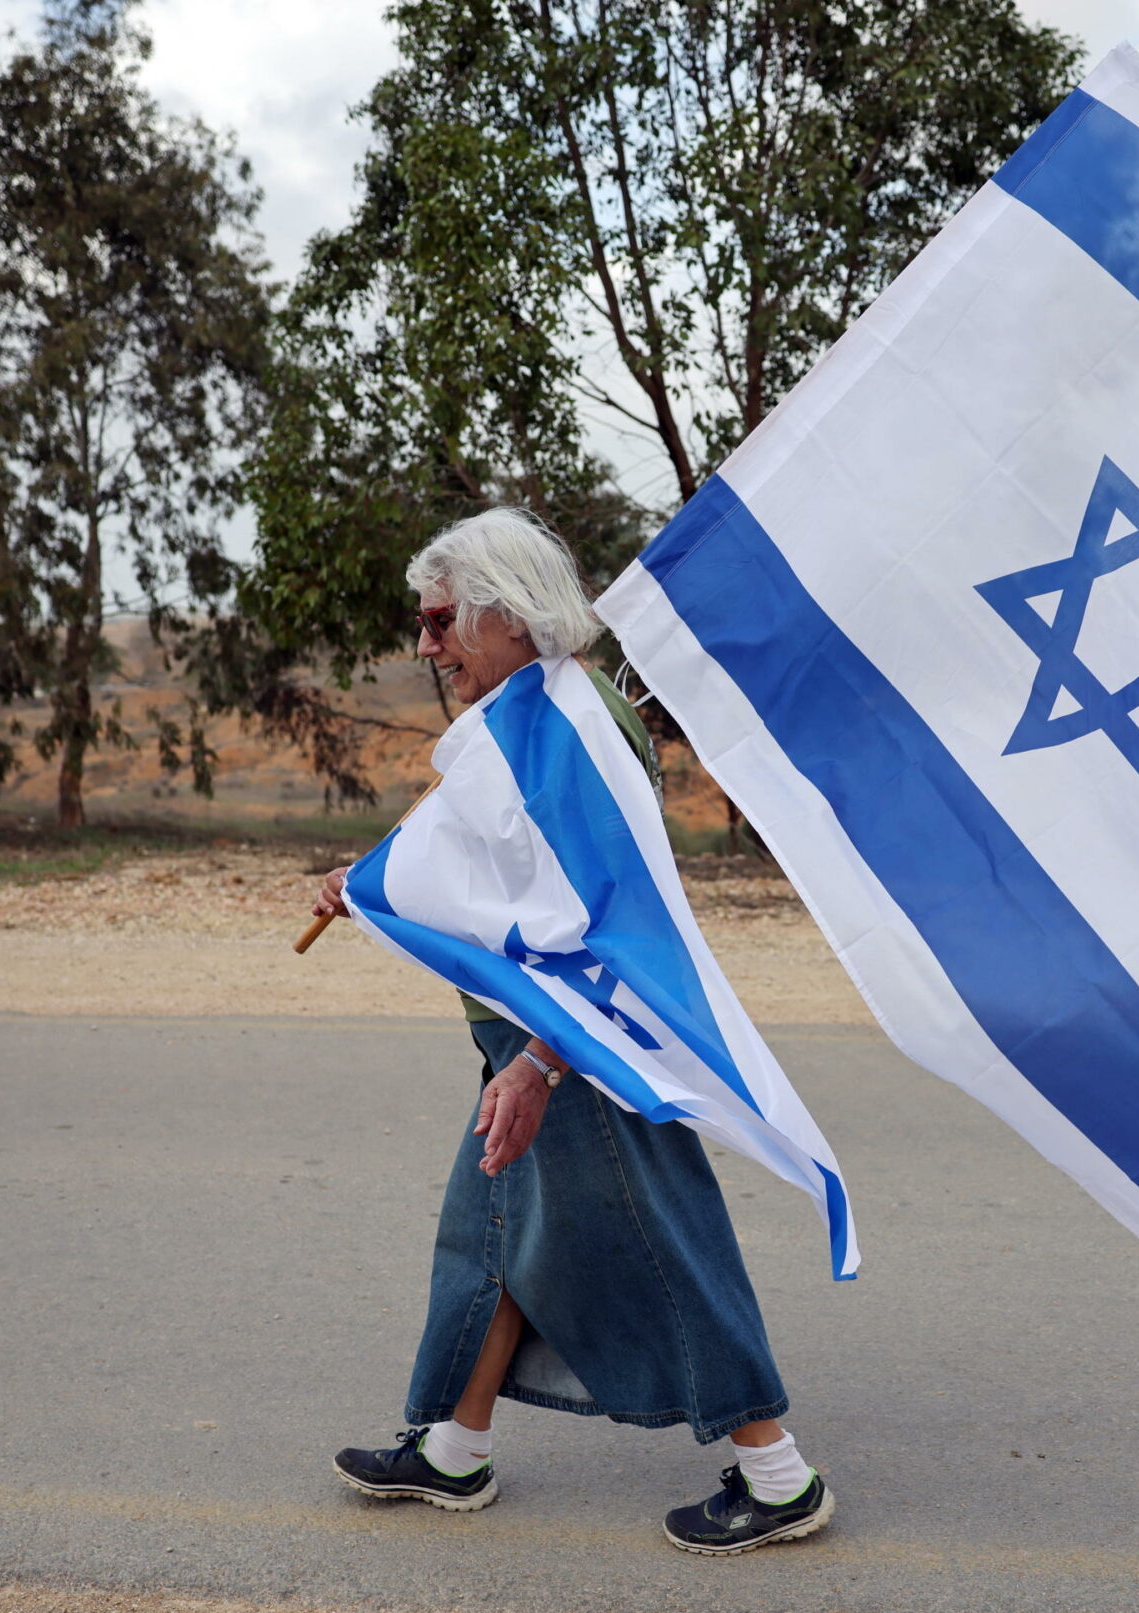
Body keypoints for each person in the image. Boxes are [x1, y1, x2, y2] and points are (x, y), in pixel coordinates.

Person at [311, 507, 831, 1556]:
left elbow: (608, 919)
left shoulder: (578, 725)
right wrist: (369, 888)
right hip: (534, 1037)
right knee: (490, 1236)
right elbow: (480, 867)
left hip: (584, 1040)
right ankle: (454, 1449)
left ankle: (778, 1475)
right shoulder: (528, 717)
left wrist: (546, 1062)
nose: (428, 646)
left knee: (661, 1239)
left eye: (441, 620)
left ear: (508, 614)